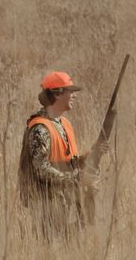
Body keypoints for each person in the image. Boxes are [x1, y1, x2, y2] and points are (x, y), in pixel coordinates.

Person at [19, 71, 93, 234]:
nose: (74, 95)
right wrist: (74, 178)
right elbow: (41, 169)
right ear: (58, 94)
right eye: (70, 91)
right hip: (47, 204)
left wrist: (87, 159)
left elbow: (64, 161)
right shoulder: (41, 128)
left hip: (67, 200)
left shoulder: (64, 123)